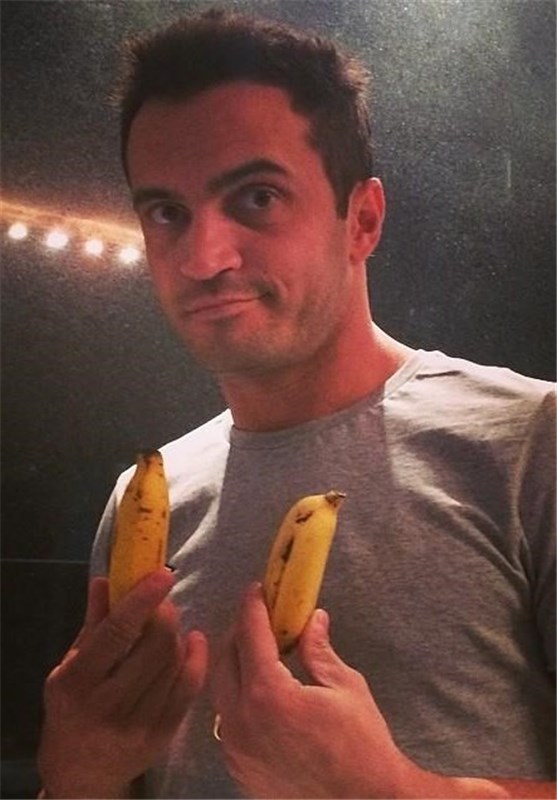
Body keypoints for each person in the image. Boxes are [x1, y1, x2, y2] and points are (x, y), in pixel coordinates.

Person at [37, 8, 555, 799]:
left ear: (362, 220)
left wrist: (398, 793)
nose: (202, 257)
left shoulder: (529, 443)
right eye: (166, 213)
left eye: (256, 198)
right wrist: (77, 778)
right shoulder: (147, 498)